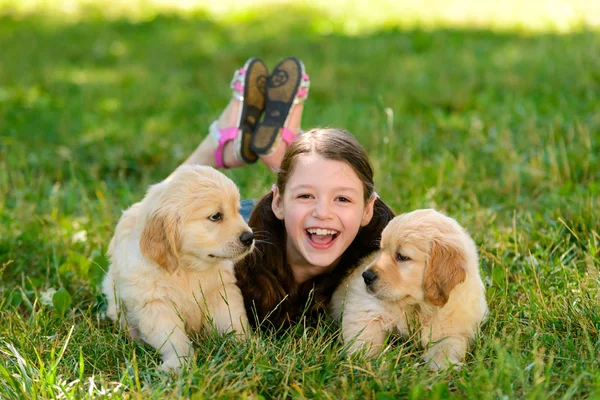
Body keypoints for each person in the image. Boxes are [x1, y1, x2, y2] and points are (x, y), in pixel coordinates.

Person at [179, 57, 395, 329]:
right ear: (278, 203)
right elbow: (150, 233)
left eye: (342, 199)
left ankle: (280, 147)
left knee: (315, 175)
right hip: (253, 222)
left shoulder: (381, 260)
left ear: (367, 210)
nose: (323, 213)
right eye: (306, 197)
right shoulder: (235, 249)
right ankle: (225, 141)